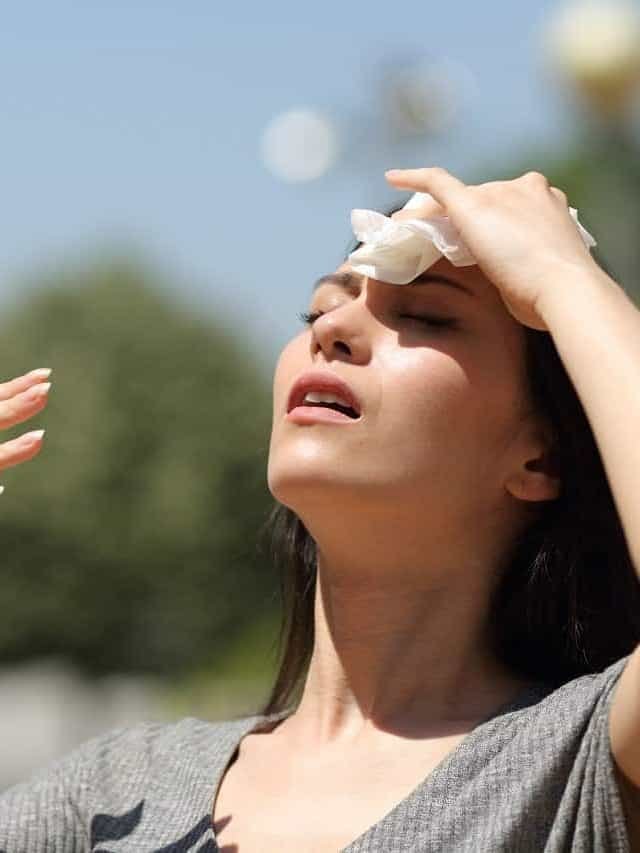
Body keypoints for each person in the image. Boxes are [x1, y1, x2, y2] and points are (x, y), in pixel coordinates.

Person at [1, 166, 640, 852]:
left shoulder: (576, 768)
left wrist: (565, 275)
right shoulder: (114, 791)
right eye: (316, 310)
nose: (332, 328)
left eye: (426, 315)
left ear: (540, 459)